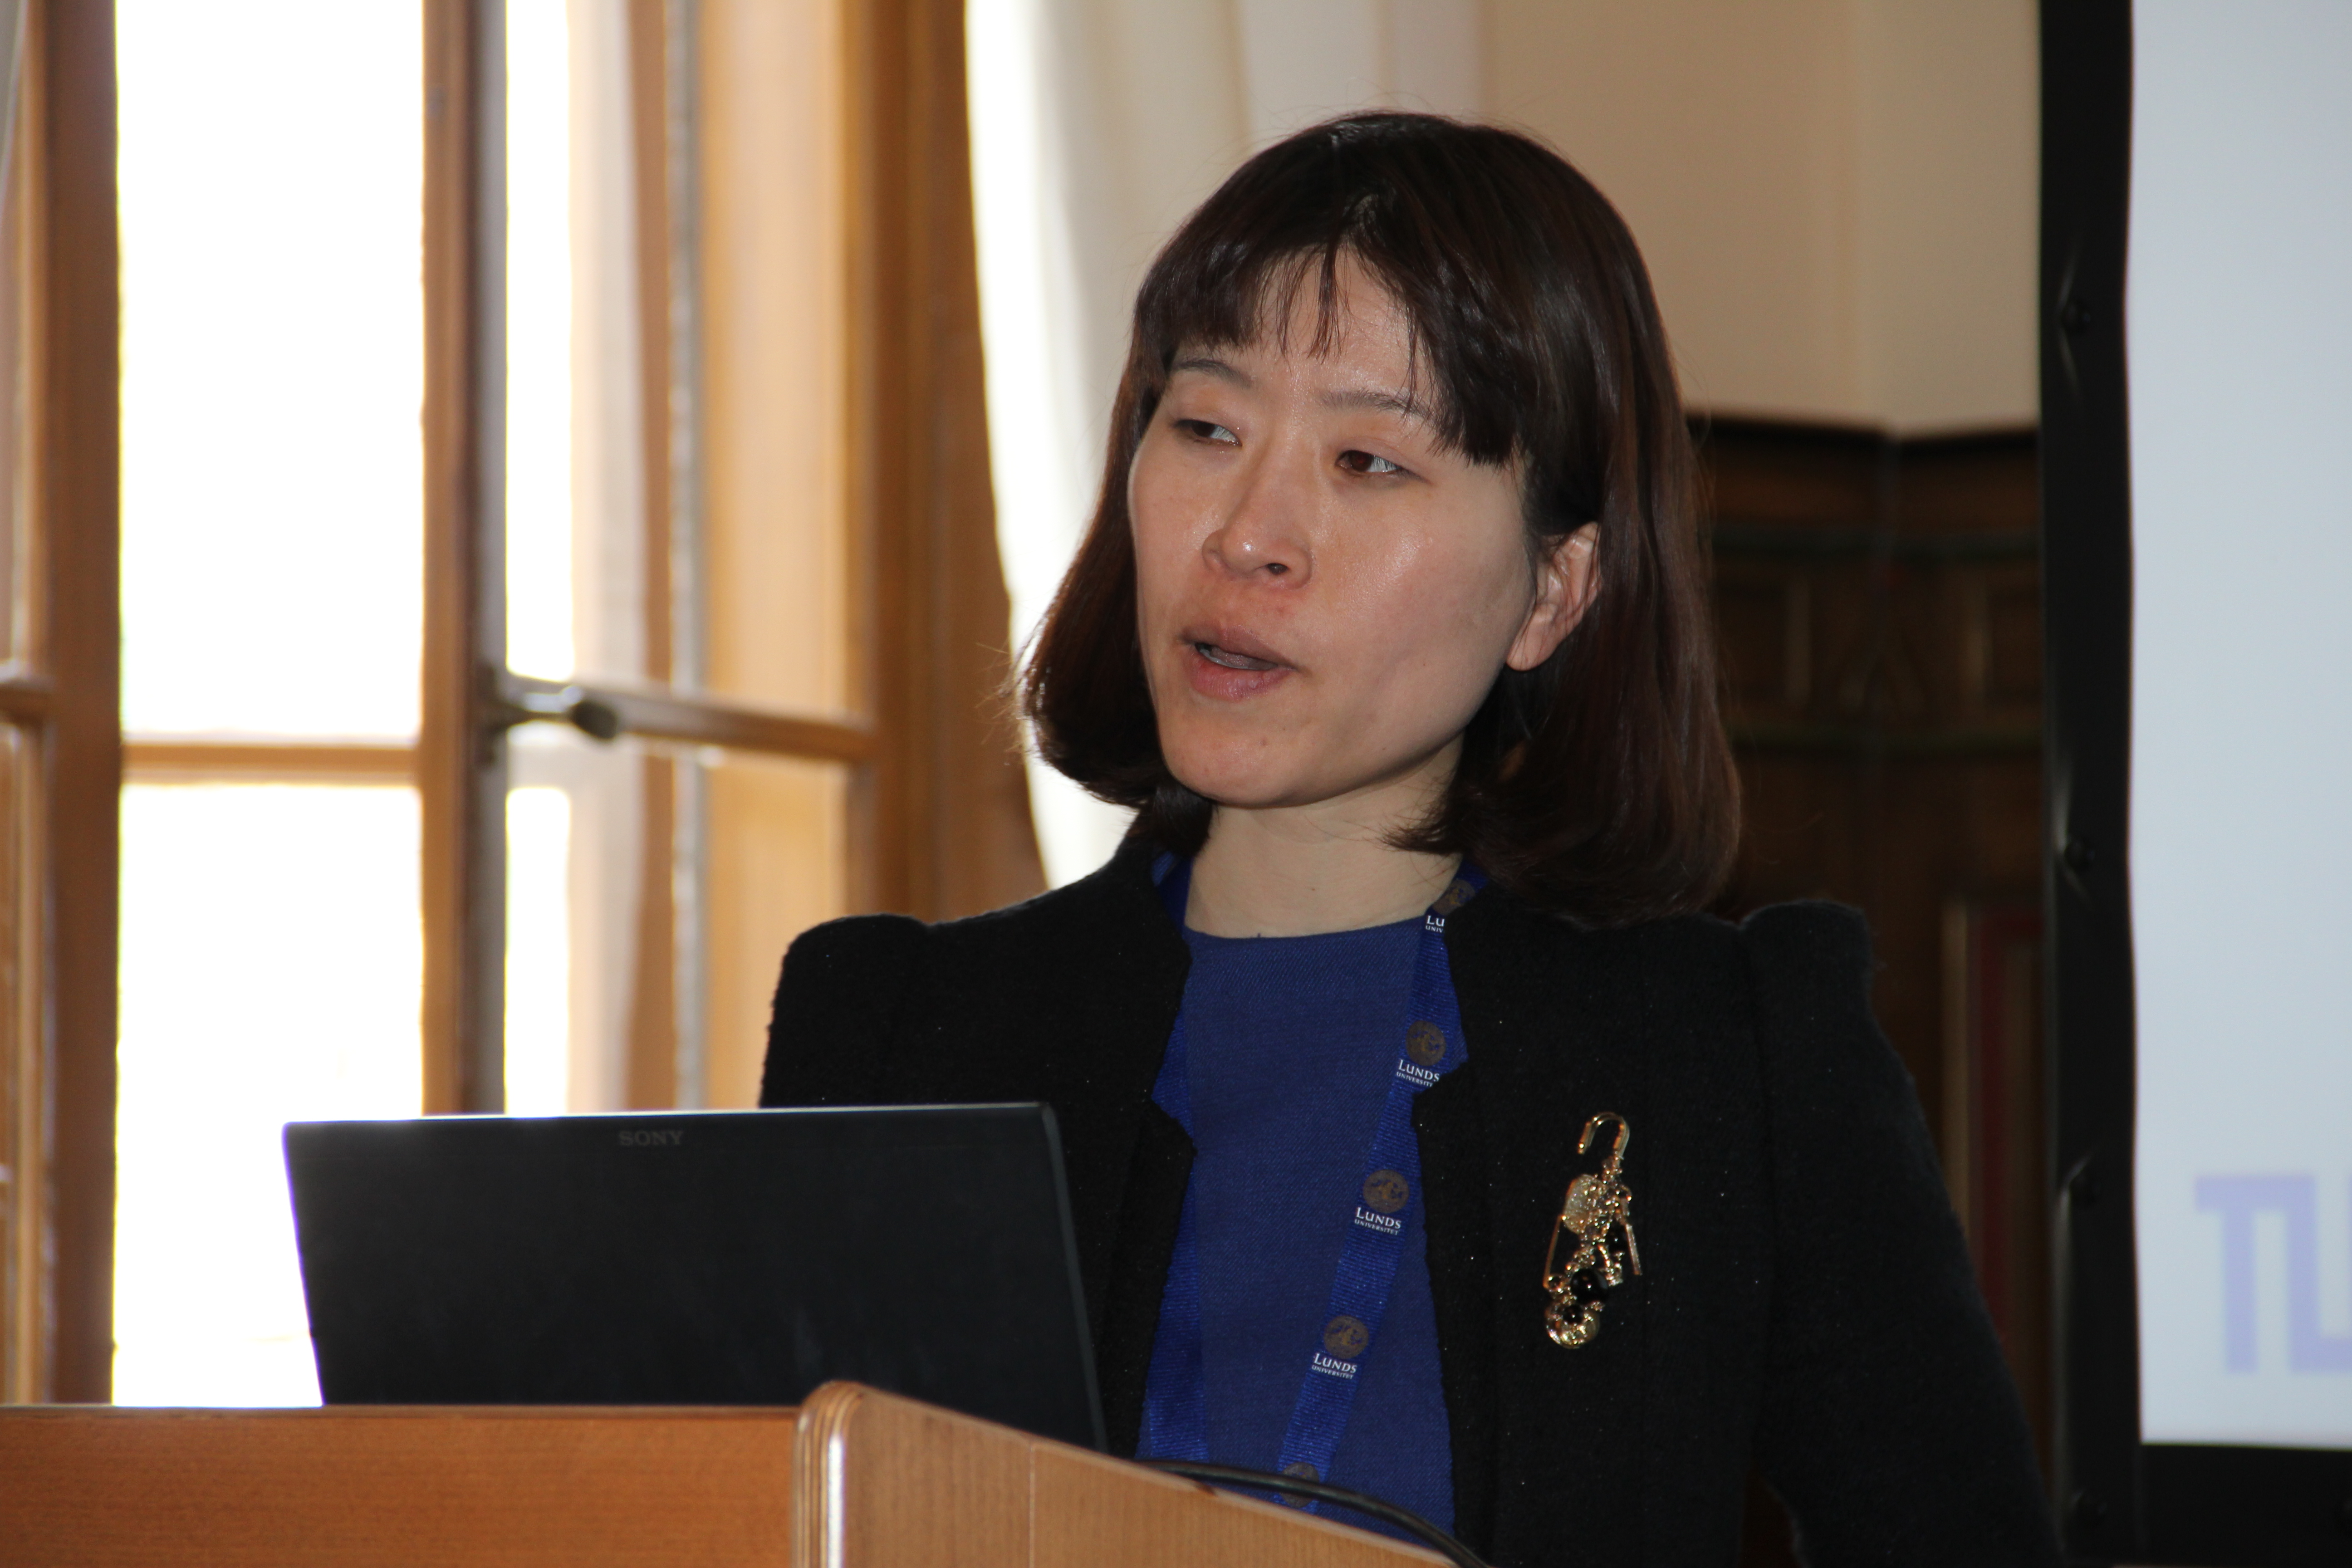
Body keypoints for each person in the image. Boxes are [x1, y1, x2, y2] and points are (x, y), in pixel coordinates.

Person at [761, 112, 2061, 1567]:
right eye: (1206, 427)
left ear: (1552, 594)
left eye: (1369, 461)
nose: (1249, 534)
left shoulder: (1731, 1055)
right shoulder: (900, 1036)